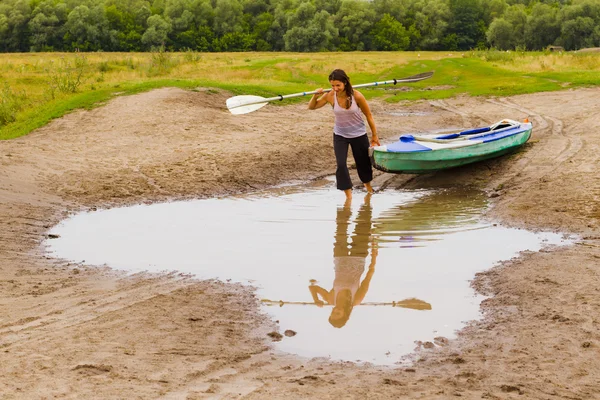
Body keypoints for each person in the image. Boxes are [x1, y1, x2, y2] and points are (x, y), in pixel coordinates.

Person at [308, 69, 380, 201]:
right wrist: (315, 96)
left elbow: (369, 116)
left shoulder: (357, 96)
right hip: (340, 135)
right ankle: (348, 196)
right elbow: (312, 107)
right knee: (341, 165)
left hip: (359, 134)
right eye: (332, 85)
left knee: (362, 163)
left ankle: (368, 189)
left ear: (345, 83)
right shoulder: (330, 96)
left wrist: (374, 136)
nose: (335, 88)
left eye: (338, 85)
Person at [308, 193, 377, 328]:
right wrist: (374, 256)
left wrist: (316, 299)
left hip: (340, 258)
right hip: (359, 258)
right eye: (338, 314)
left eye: (333, 313)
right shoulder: (356, 300)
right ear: (345, 314)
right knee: (363, 227)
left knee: (341, 227)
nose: (335, 310)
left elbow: (313, 287)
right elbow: (368, 278)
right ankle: (367, 205)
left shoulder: (330, 299)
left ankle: (346, 204)